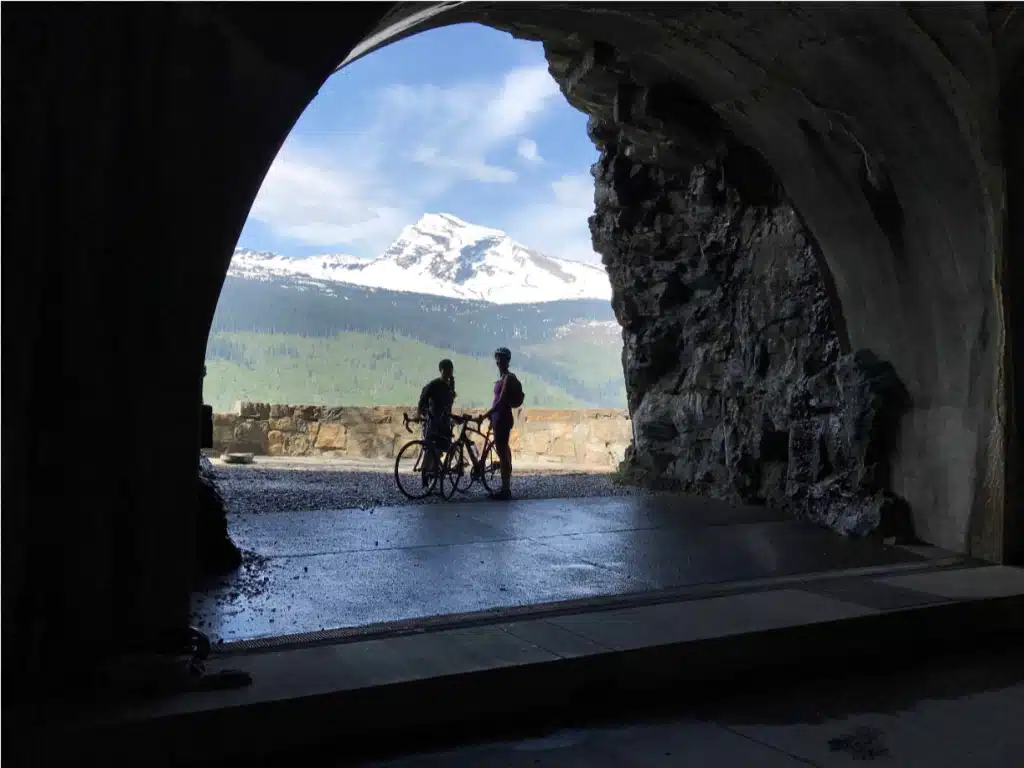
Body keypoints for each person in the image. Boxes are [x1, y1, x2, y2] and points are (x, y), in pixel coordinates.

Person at [485, 347, 518, 500]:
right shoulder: (502, 378)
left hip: (503, 419)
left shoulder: (508, 378)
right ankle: (505, 487)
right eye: (497, 358)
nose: (498, 361)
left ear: (507, 361)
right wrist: (491, 418)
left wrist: (486, 414)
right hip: (498, 418)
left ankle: (506, 490)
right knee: (504, 451)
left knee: (503, 454)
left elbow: (501, 400)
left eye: (501, 358)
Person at [417, 359, 456, 484]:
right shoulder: (434, 384)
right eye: (446, 369)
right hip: (434, 421)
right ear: (441, 370)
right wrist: (424, 413)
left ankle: (435, 473)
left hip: (445, 422)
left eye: (451, 369)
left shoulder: (450, 385)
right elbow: (423, 400)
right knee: (430, 448)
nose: (449, 372)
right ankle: (425, 475)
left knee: (444, 447)